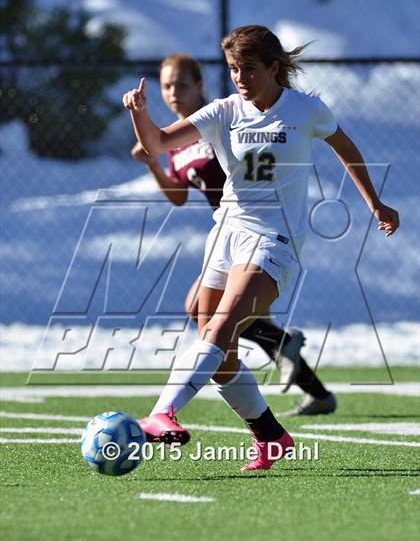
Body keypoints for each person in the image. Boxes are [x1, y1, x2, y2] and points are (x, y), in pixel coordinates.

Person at [123, 25, 399, 471]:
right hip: (226, 234)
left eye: (248, 69)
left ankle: (163, 412)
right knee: (215, 345)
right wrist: (139, 113)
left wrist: (376, 203)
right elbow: (156, 142)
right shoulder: (223, 112)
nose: (239, 78)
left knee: (221, 328)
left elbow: (346, 149)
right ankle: (270, 436)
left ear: (274, 67)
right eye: (233, 69)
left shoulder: (306, 110)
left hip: (275, 237)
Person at [131, 53, 336, 416]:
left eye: (182, 84)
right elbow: (178, 195)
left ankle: (280, 360)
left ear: (199, 85)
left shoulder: (220, 120)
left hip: (262, 230)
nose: (173, 92)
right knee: (212, 314)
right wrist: (153, 165)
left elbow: (259, 157)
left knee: (213, 315)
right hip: (228, 235)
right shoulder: (181, 140)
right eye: (167, 86)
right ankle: (306, 381)